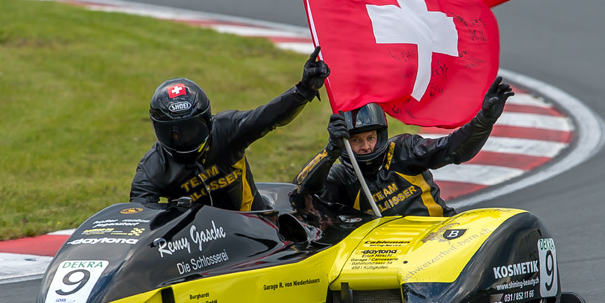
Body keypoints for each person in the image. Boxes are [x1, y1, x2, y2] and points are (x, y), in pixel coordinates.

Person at [130, 47, 329, 210]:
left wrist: (303, 90)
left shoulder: (226, 130)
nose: (182, 138)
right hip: (196, 246)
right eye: (173, 132)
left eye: (190, 129)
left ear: (207, 121)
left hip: (253, 229)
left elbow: (265, 117)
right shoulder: (152, 167)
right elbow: (139, 216)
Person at [293, 77, 514, 217]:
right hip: (384, 256)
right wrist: (330, 152)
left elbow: (452, 149)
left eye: (370, 138)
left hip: (436, 235)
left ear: (380, 135)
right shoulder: (340, 175)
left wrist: (483, 121)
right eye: (356, 141)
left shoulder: (403, 149)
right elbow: (300, 192)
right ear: (344, 144)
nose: (366, 147)